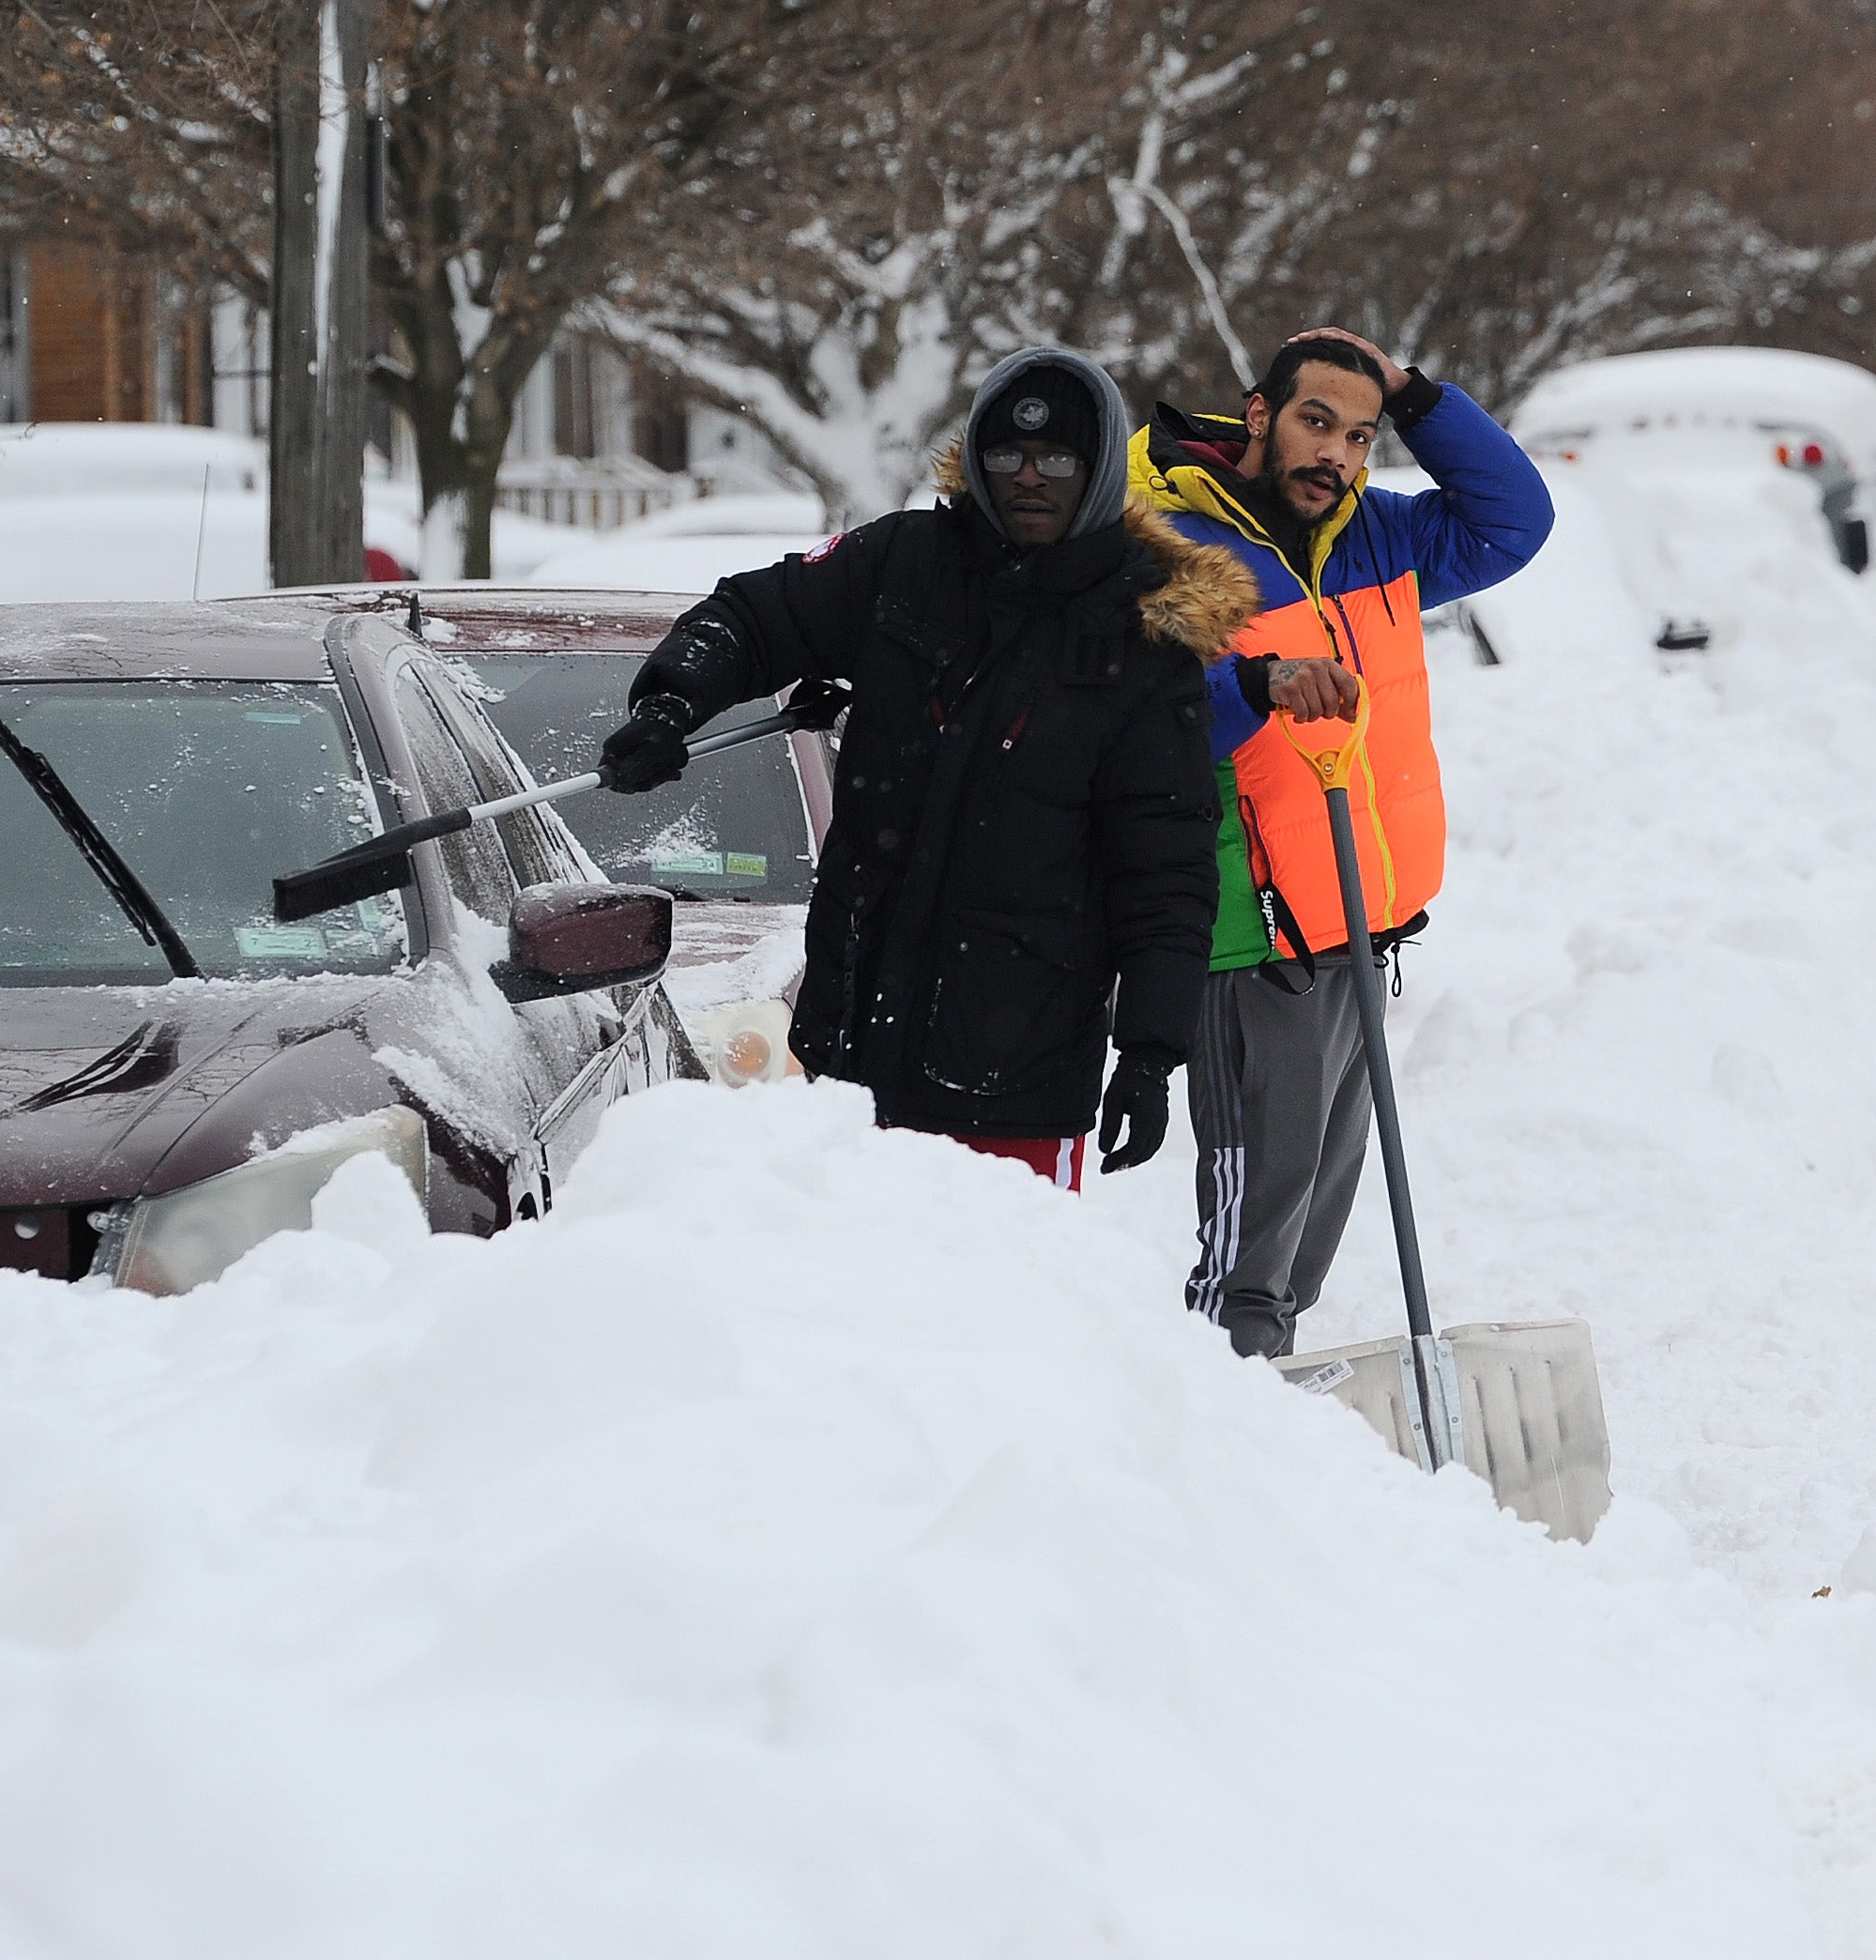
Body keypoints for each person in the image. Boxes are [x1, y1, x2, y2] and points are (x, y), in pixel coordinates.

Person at [596, 346, 1258, 1186]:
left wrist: (1151, 1054)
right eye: (1006, 455)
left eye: (1057, 459)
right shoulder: (903, 562)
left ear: (1095, 473)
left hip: (1018, 1066)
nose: (1028, 476)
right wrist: (670, 706)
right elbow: (754, 616)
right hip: (846, 1052)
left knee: (992, 1307)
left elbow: (1164, 867)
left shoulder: (1142, 638)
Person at [1136, 328, 1552, 1358]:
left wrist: (1413, 395)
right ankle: (1206, 1419)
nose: (1334, 452)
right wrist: (1254, 687)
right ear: (1258, 413)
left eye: (1359, 435)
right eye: (1315, 420)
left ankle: (1259, 1413)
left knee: (1306, 1232)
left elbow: (1514, 522)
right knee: (1248, 1247)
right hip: (1257, 937)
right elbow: (1152, 728)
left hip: (1358, 927)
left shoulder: (1377, 536)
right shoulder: (1174, 550)